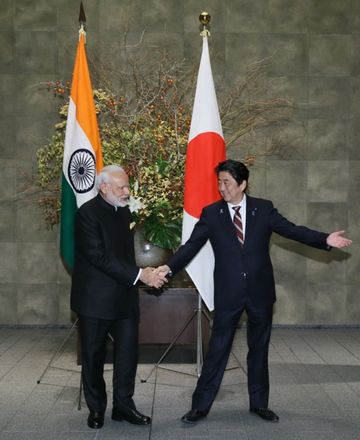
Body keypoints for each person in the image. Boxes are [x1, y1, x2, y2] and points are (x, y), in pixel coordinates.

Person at [157, 159, 352, 424]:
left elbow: (292, 230)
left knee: (258, 350)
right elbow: (191, 246)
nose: (221, 188)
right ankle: (199, 407)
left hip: (260, 293)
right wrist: (167, 268)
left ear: (243, 184)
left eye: (226, 182)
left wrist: (324, 240)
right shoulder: (212, 213)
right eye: (219, 182)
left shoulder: (264, 209)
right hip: (228, 293)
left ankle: (259, 404)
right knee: (218, 350)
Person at [71, 164, 167, 429]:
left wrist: (145, 273)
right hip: (95, 299)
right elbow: (99, 257)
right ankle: (97, 410)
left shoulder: (125, 212)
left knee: (127, 355)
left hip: (124, 296)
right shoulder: (86, 215)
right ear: (104, 188)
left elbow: (125, 255)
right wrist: (141, 276)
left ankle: (124, 407)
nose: (127, 192)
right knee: (93, 356)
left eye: (127, 186)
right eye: (122, 187)